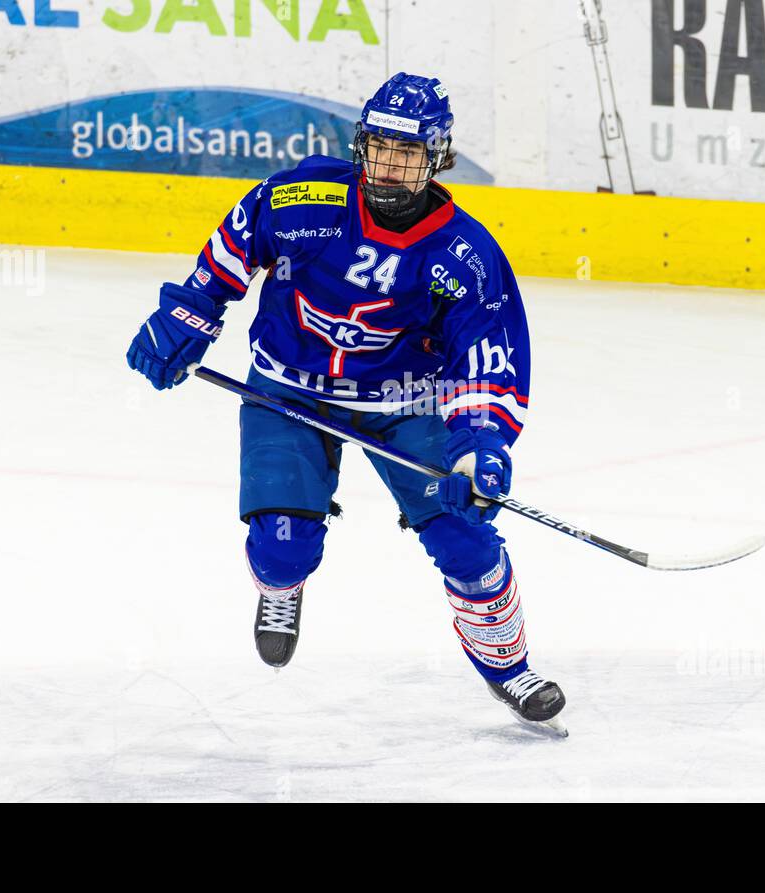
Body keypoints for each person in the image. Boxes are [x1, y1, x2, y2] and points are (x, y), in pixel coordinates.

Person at [126, 73, 565, 730]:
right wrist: (187, 317)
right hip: (286, 387)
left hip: (402, 405)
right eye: (379, 148)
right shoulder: (304, 198)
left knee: (467, 540)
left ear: (436, 157)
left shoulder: (464, 254)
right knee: (281, 550)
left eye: (406, 153)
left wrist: (481, 445)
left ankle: (509, 665)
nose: (388, 166)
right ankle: (283, 586)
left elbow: (487, 356)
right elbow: (233, 246)